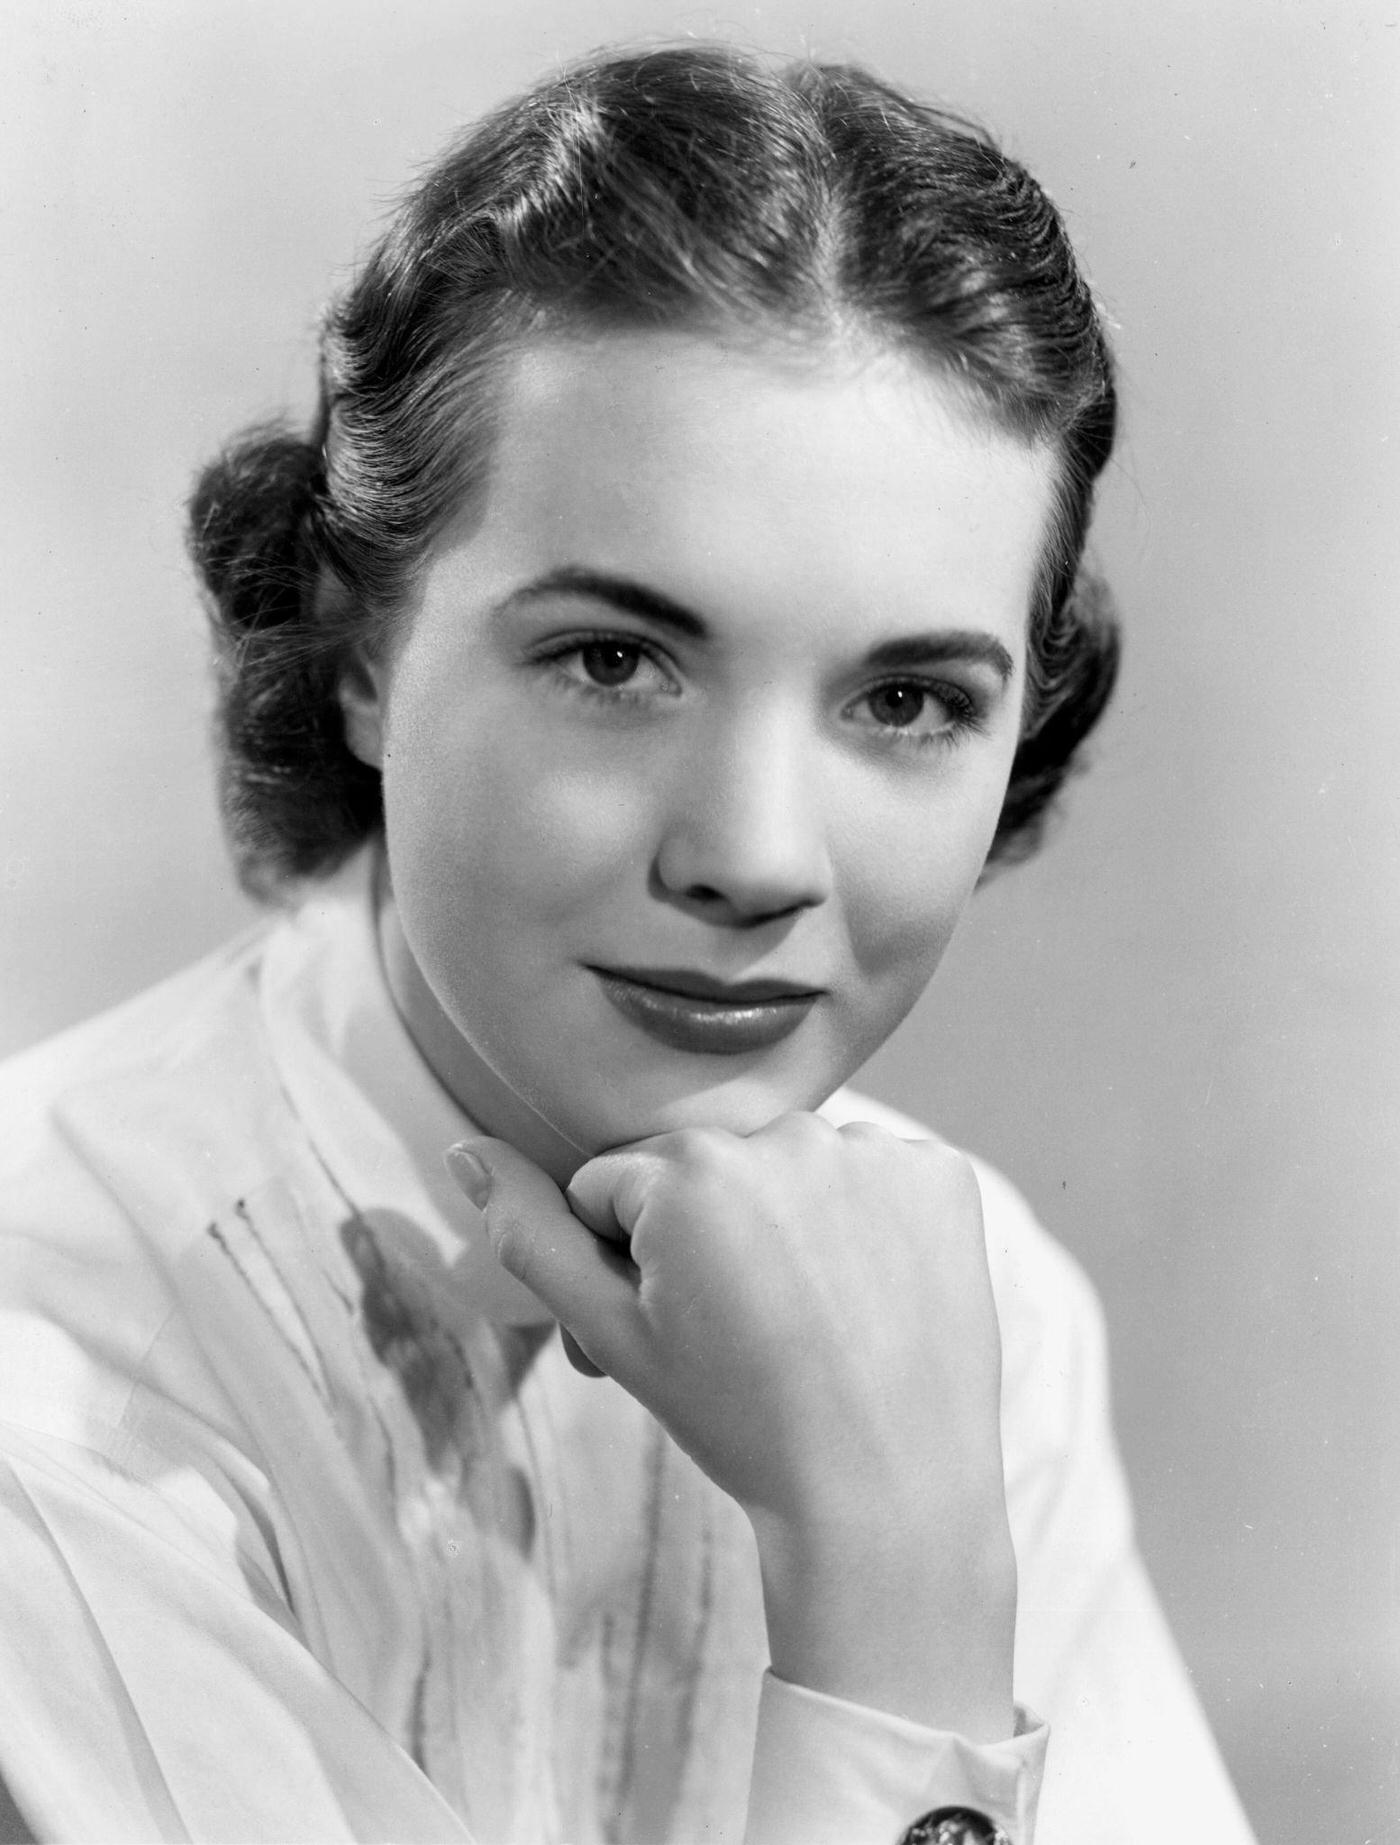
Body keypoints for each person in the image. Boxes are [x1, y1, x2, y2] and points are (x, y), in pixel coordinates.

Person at [0, 44, 1254, 1845]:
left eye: (906, 698)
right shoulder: (46, 1393)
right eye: (613, 659)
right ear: (359, 650)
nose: (753, 857)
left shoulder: (975, 1317)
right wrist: (894, 1597)